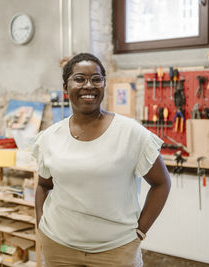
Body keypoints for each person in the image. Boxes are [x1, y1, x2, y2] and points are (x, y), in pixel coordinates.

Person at [32, 52, 171, 267]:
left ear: (104, 85)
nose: (88, 85)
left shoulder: (131, 133)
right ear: (65, 87)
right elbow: (43, 185)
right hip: (59, 246)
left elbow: (161, 183)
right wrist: (41, 224)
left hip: (116, 250)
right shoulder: (50, 137)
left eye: (96, 79)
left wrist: (140, 231)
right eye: (79, 79)